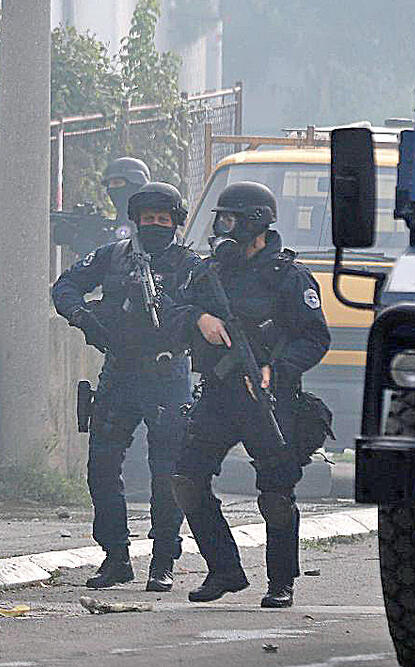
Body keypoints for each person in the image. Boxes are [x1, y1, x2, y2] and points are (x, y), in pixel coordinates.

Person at [171, 181, 331, 607]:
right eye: (221, 219)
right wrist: (199, 318)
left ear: (255, 222)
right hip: (218, 396)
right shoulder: (210, 271)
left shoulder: (289, 276)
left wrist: (275, 370)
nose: (224, 227)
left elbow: (315, 337)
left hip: (269, 400)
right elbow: (174, 310)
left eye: (231, 219)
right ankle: (224, 569)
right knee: (187, 481)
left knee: (276, 495)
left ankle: (281, 581)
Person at [52, 181, 200, 590]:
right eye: (148, 218)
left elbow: (211, 309)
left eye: (163, 219)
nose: (155, 225)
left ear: (175, 223)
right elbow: (65, 287)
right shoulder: (112, 256)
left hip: (167, 375)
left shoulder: (189, 265)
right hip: (119, 372)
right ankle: (115, 556)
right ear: (135, 220)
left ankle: (163, 560)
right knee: (101, 467)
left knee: (167, 473)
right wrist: (84, 317)